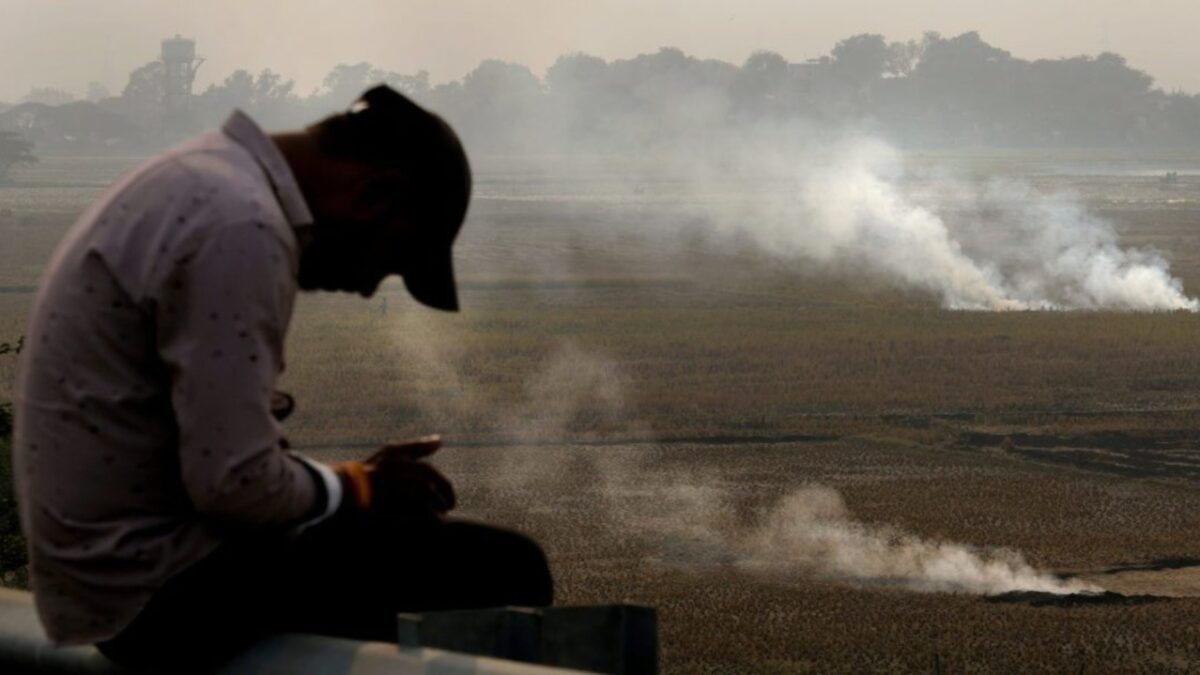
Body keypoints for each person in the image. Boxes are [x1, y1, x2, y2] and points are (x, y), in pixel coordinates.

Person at [12, 85, 553, 670]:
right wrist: (360, 489)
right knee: (506, 567)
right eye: (388, 259)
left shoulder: (205, 174)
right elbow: (235, 483)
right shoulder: (242, 228)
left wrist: (347, 487)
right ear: (375, 193)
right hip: (155, 596)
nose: (369, 285)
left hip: (110, 576)